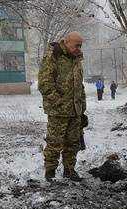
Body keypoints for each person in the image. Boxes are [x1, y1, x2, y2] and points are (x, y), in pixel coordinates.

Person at [38, 31, 87, 182]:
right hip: (58, 111)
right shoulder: (53, 56)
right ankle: (50, 173)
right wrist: (58, 102)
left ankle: (69, 170)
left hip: (75, 110)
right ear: (66, 42)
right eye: (76, 45)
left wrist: (82, 108)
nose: (79, 48)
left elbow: (79, 86)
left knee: (73, 143)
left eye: (80, 45)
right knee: (54, 142)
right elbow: (45, 84)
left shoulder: (76, 59)